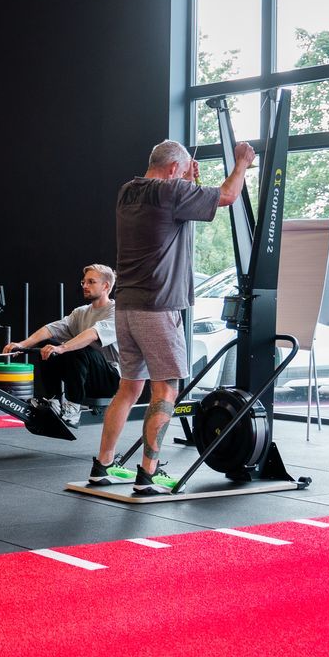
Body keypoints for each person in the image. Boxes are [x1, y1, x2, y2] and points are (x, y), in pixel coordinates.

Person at [90, 139, 253, 494]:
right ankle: (148, 473)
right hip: (158, 307)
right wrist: (241, 163)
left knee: (130, 387)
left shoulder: (127, 192)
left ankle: (101, 465)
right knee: (165, 388)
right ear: (174, 170)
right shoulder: (171, 192)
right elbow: (227, 195)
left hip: (128, 306)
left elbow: (174, 216)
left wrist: (190, 185)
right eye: (181, 173)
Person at [2, 264, 121, 425]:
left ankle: (73, 408)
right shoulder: (81, 312)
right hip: (84, 376)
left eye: (91, 282)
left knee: (77, 346)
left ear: (106, 286)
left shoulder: (117, 311)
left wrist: (62, 347)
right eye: (83, 282)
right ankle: (54, 401)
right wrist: (22, 345)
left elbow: (92, 334)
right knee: (48, 344)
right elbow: (51, 329)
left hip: (111, 380)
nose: (85, 286)